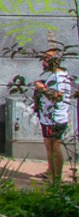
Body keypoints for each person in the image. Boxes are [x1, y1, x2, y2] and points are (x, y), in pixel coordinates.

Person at [33, 48, 73, 182]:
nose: (43, 62)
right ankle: (50, 172)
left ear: (55, 61)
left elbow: (58, 97)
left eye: (47, 59)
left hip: (55, 118)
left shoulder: (59, 77)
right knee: (48, 144)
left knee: (55, 145)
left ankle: (56, 177)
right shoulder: (56, 76)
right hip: (48, 118)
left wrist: (42, 89)